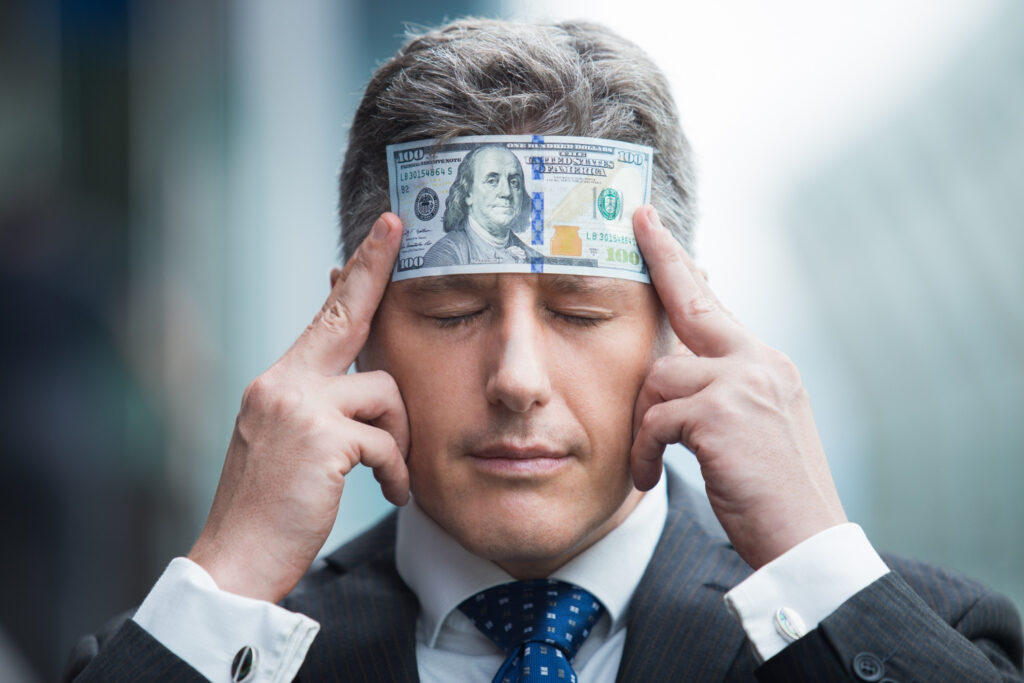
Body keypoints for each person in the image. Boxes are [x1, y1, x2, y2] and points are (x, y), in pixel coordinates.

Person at [65, 18, 1022, 683]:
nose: (517, 379)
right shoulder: (196, 651)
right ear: (352, 342)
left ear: (677, 329)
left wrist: (819, 567)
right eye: (450, 313)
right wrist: (226, 579)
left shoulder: (917, 635)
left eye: (580, 311)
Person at [421, 145, 539, 267]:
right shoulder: (443, 256)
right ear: (468, 194)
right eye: (492, 181)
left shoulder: (535, 258)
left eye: (514, 182)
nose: (507, 192)